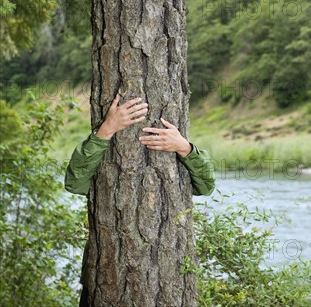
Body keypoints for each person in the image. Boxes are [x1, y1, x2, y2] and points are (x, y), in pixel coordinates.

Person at [64, 94, 215, 307]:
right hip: (105, 276)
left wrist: (184, 148)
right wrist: (107, 129)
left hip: (168, 278)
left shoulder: (179, 154)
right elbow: (74, 182)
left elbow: (206, 186)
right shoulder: (100, 148)